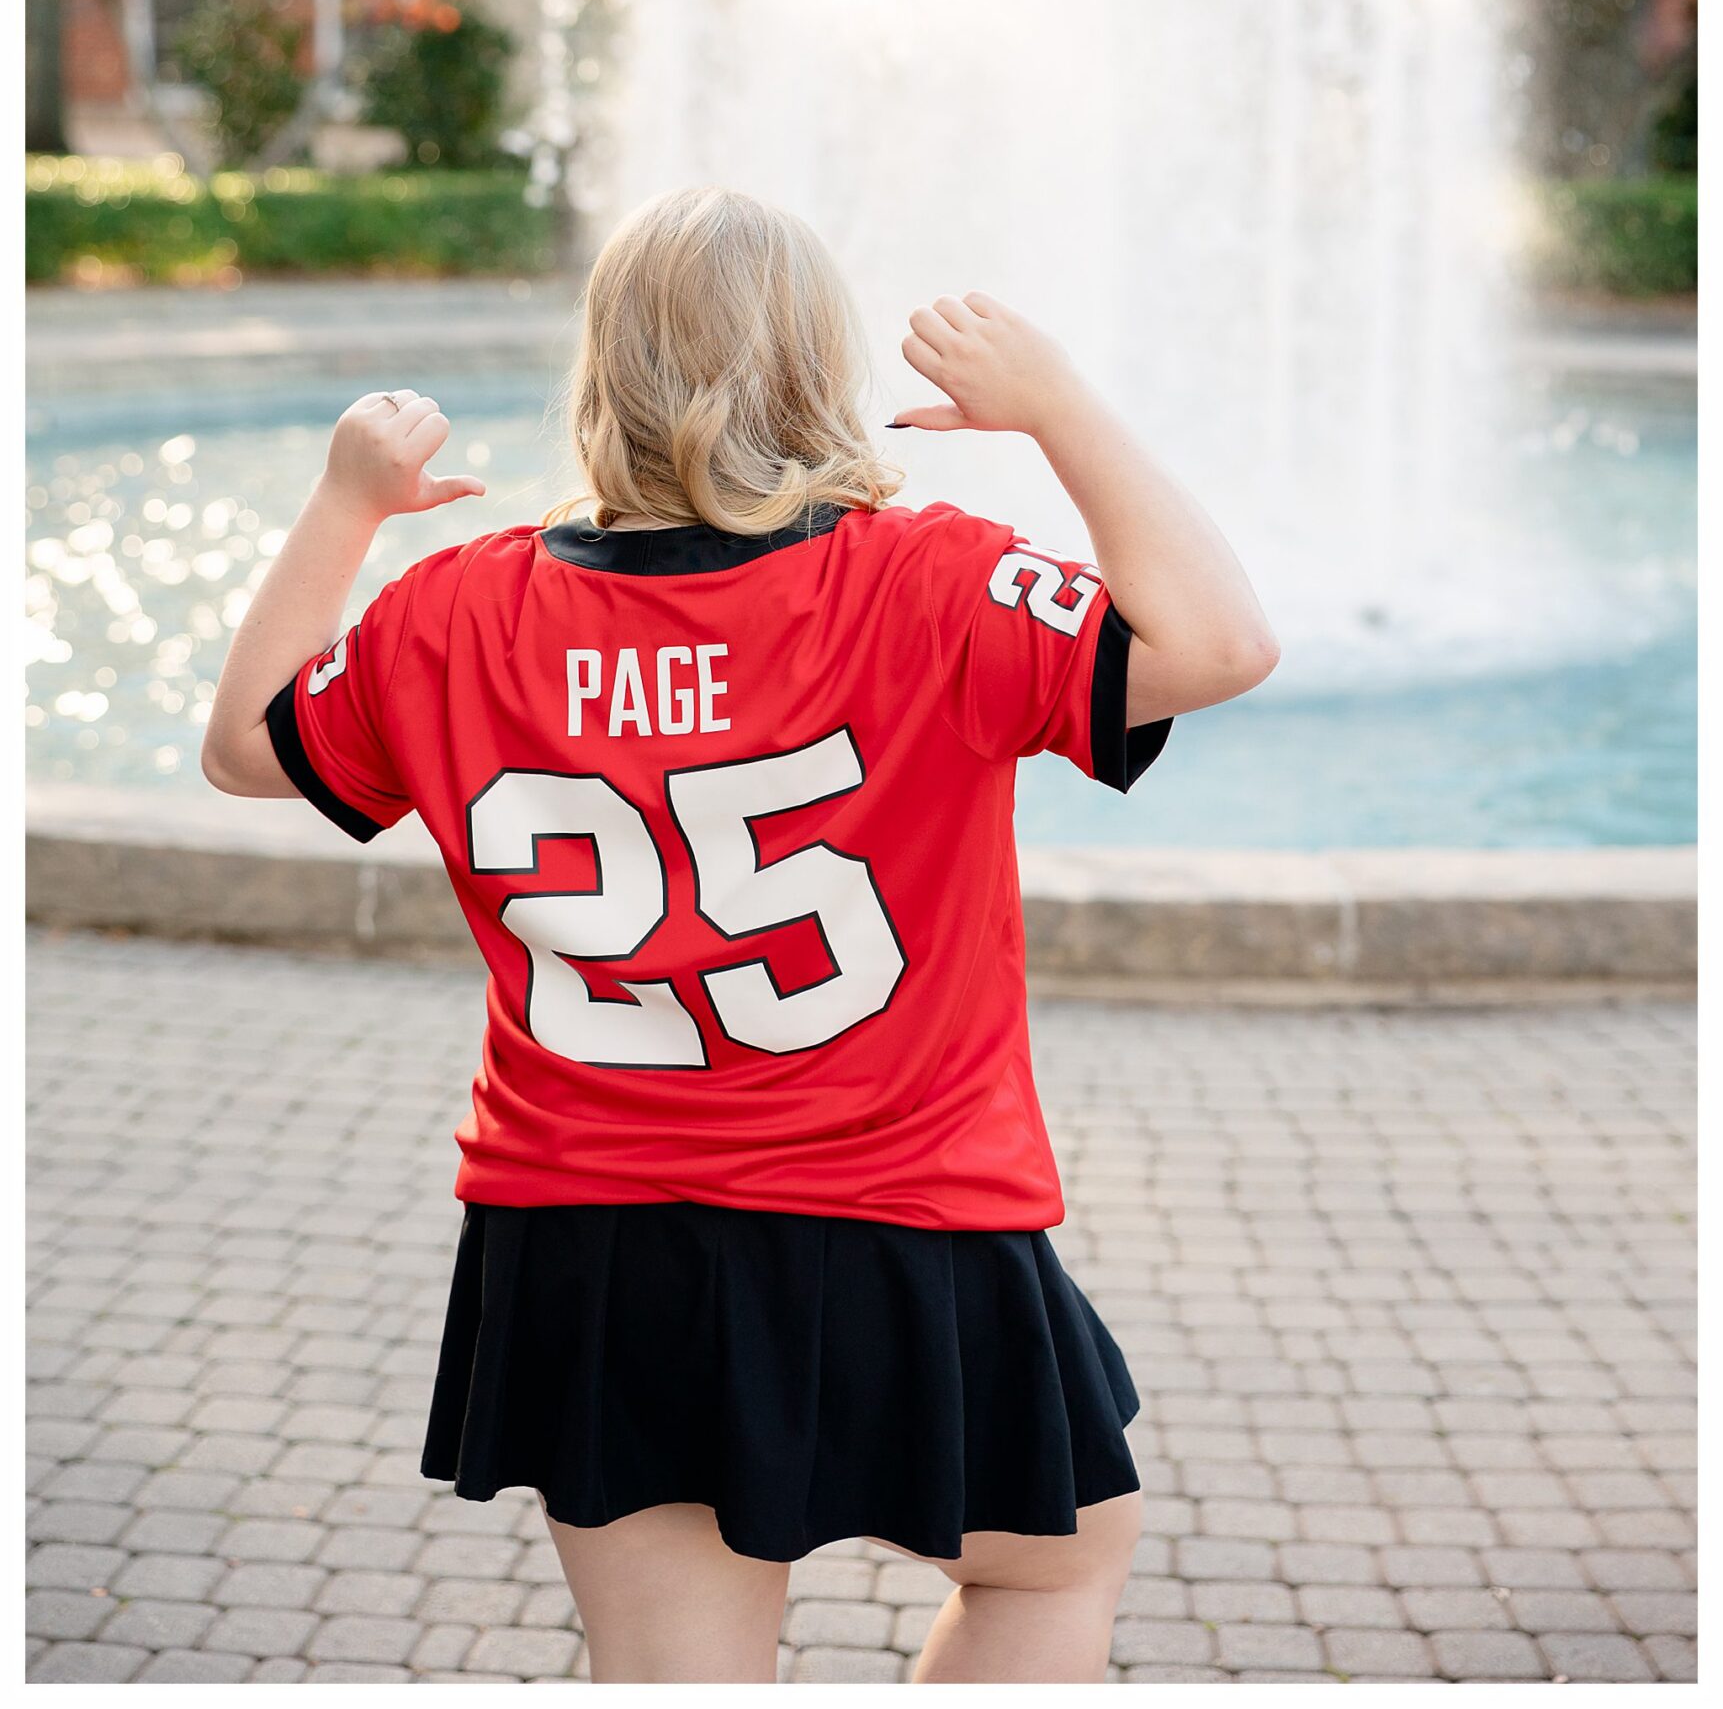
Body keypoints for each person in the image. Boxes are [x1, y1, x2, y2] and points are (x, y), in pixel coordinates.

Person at [202, 184, 1279, 1684]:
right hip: (897, 1208)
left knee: (676, 1674)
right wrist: (1059, 409)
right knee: (1053, 1570)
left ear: (602, 371)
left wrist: (344, 509)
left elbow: (249, 750)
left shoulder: (452, 611)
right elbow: (1222, 643)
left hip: (588, 1233)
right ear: (812, 371)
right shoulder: (929, 581)